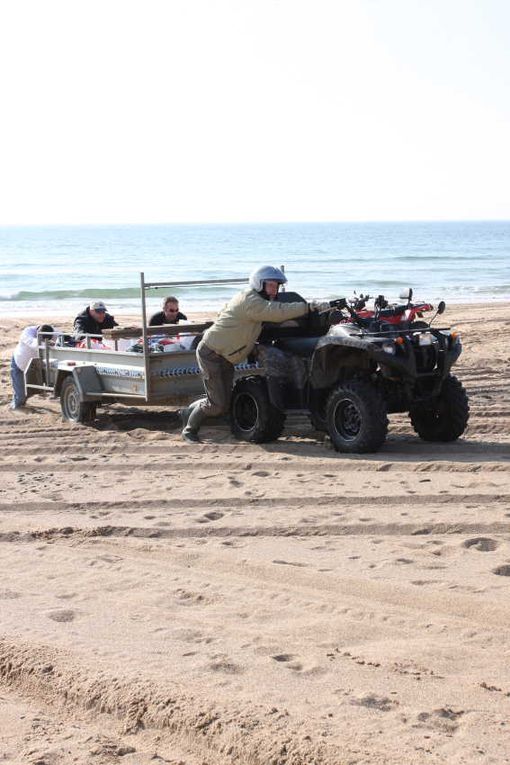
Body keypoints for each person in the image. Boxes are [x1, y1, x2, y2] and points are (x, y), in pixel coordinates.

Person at [180, 265, 329, 443]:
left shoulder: (251, 298)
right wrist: (309, 307)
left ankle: (187, 412)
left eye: (277, 286)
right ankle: (189, 430)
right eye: (272, 286)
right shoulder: (252, 301)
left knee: (222, 402)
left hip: (225, 355)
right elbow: (277, 312)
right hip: (212, 354)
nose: (275, 290)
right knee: (218, 405)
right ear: (259, 284)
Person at [10, 324, 55, 409]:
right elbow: (33, 344)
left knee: (31, 392)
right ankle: (15, 409)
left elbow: (62, 337)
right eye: (42, 338)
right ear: (37, 333)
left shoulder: (52, 332)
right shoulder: (27, 332)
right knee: (20, 397)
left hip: (33, 367)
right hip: (18, 364)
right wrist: (45, 343)